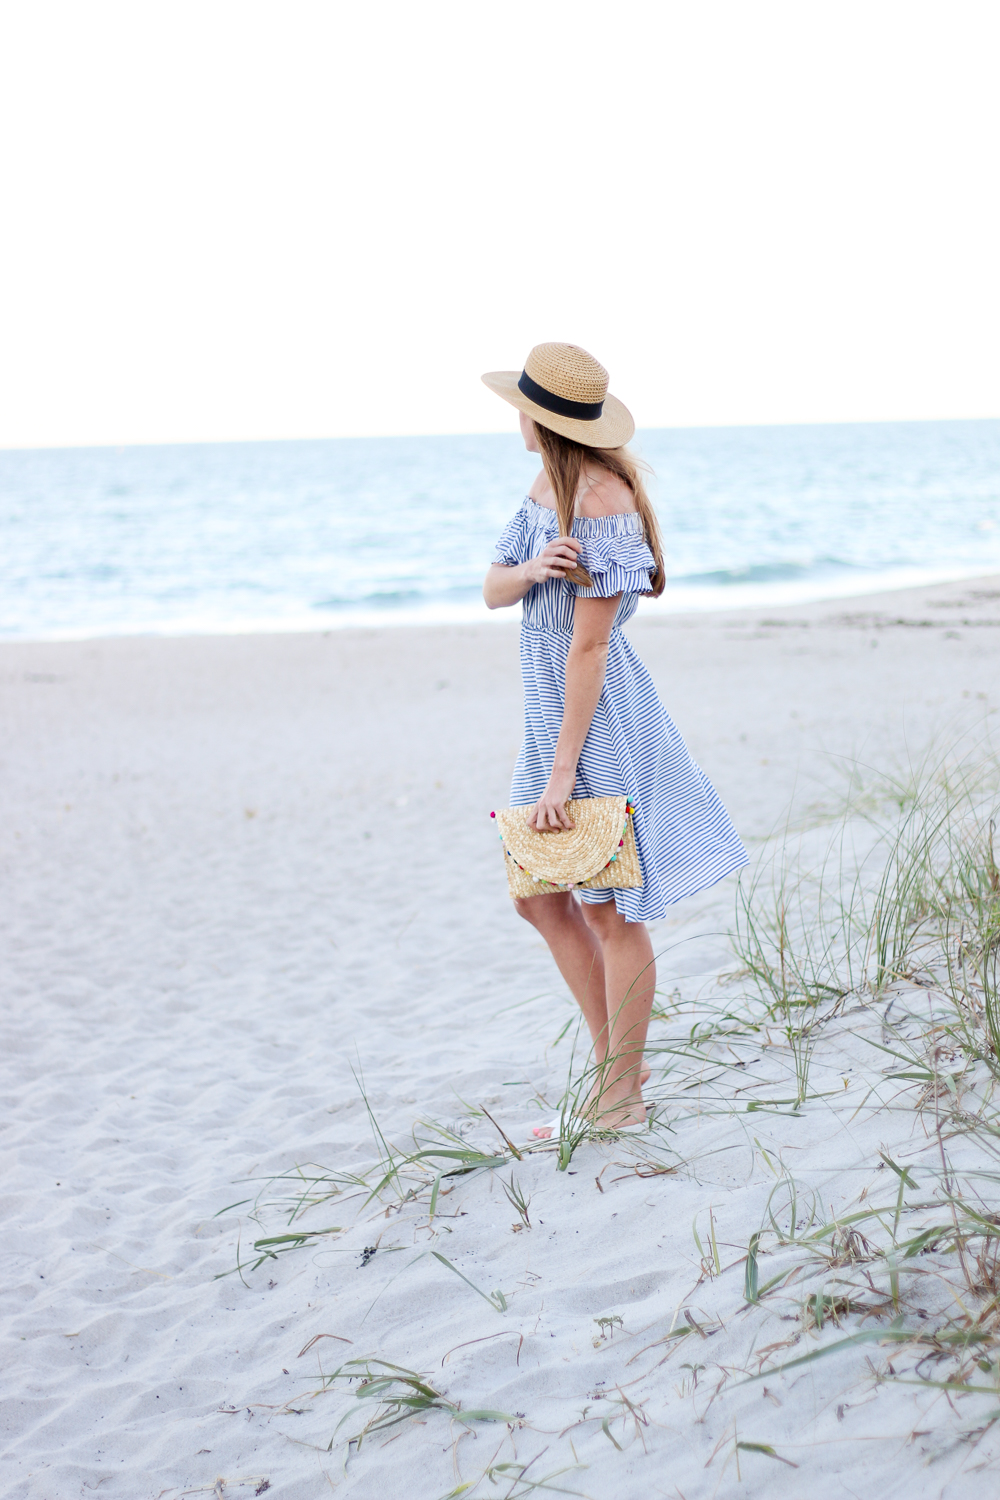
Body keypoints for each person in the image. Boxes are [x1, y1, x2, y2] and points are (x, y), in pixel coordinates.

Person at [482, 343, 747, 1136]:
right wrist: (533, 569)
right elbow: (492, 589)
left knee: (608, 913)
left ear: (545, 418)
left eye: (522, 409)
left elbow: (590, 648)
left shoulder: (602, 501)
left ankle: (621, 1094)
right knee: (539, 897)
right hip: (548, 718)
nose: (515, 421)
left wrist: (563, 775)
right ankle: (616, 1074)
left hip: (591, 725)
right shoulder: (545, 489)